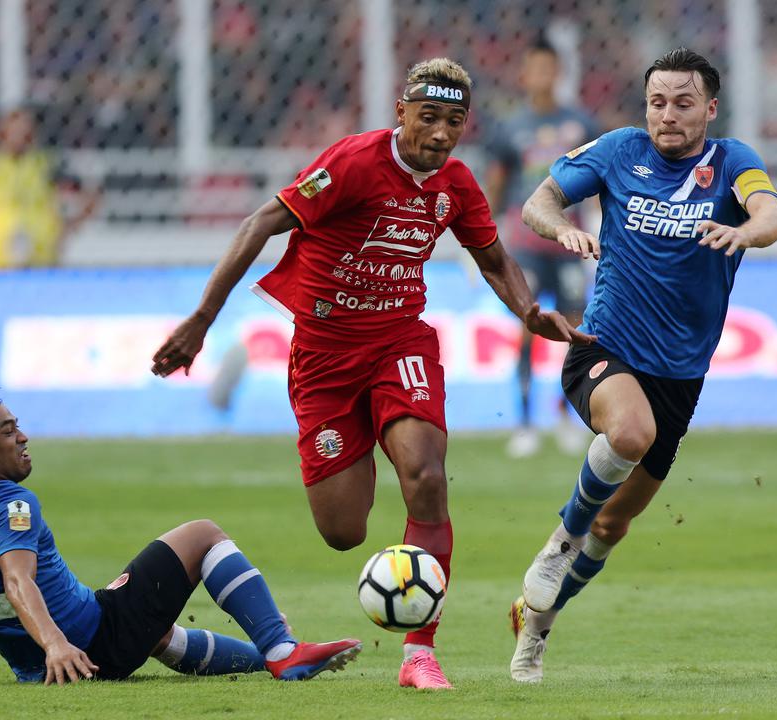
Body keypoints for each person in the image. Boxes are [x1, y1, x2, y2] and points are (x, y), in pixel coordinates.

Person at [152, 58, 594, 690]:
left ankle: (420, 652)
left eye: (455, 122)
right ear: (402, 113)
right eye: (430, 118)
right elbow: (261, 223)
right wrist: (200, 320)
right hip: (325, 361)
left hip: (399, 343)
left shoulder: (456, 184)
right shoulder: (354, 164)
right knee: (343, 531)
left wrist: (527, 312)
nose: (441, 134)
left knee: (427, 476)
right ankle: (366, 448)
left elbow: (493, 255)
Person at [0, 365, 361, 684]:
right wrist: (57, 643)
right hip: (86, 640)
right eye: (6, 431)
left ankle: (275, 661)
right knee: (202, 532)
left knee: (152, 630)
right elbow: (18, 581)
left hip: (36, 663)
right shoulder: (12, 505)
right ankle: (282, 650)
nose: (22, 437)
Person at [508, 48, 777, 683]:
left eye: (683, 103)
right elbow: (538, 203)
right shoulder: (618, 151)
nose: (667, 115)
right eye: (657, 102)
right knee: (630, 434)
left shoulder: (732, 163)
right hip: (603, 347)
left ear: (710, 109)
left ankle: (535, 627)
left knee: (613, 525)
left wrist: (745, 233)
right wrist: (563, 231)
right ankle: (557, 545)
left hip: (680, 377)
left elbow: (772, 213)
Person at [483, 37, 600, 458]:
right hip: (526, 243)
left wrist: (602, 227)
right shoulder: (510, 128)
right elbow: (497, 183)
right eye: (536, 68)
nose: (543, 77)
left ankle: (567, 415)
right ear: (525, 75)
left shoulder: (581, 124)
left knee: (576, 329)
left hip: (571, 240)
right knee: (526, 326)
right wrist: (484, 235)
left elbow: (600, 180)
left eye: (549, 68)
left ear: (559, 72)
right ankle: (525, 422)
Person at [0, 108, 100, 270]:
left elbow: (90, 197)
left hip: (40, 256)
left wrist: (68, 230)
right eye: (13, 130)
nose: (18, 135)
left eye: (23, 130)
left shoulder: (46, 165)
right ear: (2, 132)